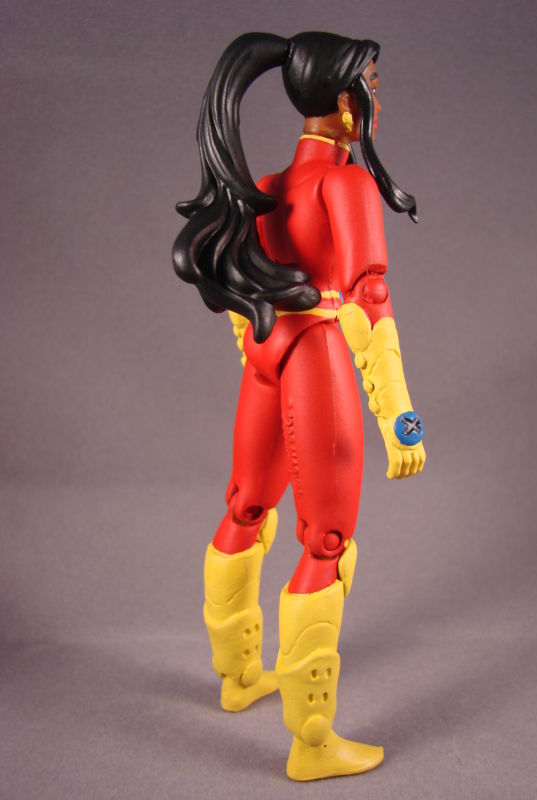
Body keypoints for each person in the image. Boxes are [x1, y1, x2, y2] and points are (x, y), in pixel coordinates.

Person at [173, 31, 426, 781]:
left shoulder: (266, 186)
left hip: (266, 357)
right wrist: (400, 419)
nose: (377, 98)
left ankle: (237, 676)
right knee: (327, 543)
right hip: (313, 359)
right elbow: (369, 300)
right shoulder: (346, 187)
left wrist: (257, 352)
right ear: (344, 101)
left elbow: (239, 287)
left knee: (246, 507)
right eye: (371, 83)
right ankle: (313, 744)